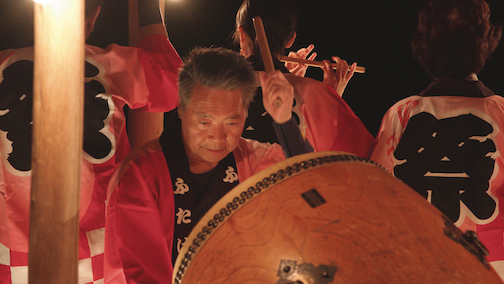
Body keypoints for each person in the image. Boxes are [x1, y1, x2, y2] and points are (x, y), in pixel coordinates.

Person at [0, 0, 182, 283]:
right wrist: (147, 7)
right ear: (92, 17)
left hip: (14, 260)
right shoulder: (107, 66)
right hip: (105, 254)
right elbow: (173, 81)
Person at [104, 46, 312, 283]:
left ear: (245, 114)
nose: (218, 137)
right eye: (204, 122)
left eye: (231, 124)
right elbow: (143, 276)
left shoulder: (252, 159)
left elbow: (310, 186)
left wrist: (284, 120)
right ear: (181, 108)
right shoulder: (139, 176)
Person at [370, 0, 504, 278]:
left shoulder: (402, 112)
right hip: (495, 263)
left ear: (425, 47)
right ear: (484, 42)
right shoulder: (501, 112)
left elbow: (378, 189)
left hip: (419, 261)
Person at [234, 0, 376, 157]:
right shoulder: (313, 92)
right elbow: (358, 160)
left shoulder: (217, 88)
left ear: (242, 35)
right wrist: (327, 99)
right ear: (291, 40)